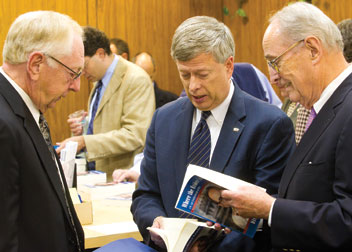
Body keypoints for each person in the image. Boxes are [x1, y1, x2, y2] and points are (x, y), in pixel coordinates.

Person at [131, 16, 295, 252]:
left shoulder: (269, 125)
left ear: (228, 66)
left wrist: (204, 246)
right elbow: (145, 195)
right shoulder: (163, 119)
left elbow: (267, 218)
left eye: (202, 74)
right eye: (185, 75)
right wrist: (157, 222)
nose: (193, 86)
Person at [217, 2, 352, 251]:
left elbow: (347, 220)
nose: (273, 78)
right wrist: (253, 210)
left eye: (276, 62)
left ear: (312, 49)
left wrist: (270, 208)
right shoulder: (322, 108)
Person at [0, 11, 84, 251]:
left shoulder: (17, 109)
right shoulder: (3, 124)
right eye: (72, 73)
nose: (77, 86)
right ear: (36, 65)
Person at [57, 27, 155, 180]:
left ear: (101, 54)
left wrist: (84, 142)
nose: (81, 74)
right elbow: (103, 127)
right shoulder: (98, 81)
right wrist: (81, 129)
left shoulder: (136, 79)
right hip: (98, 177)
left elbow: (135, 135)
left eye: (84, 66)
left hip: (122, 179)